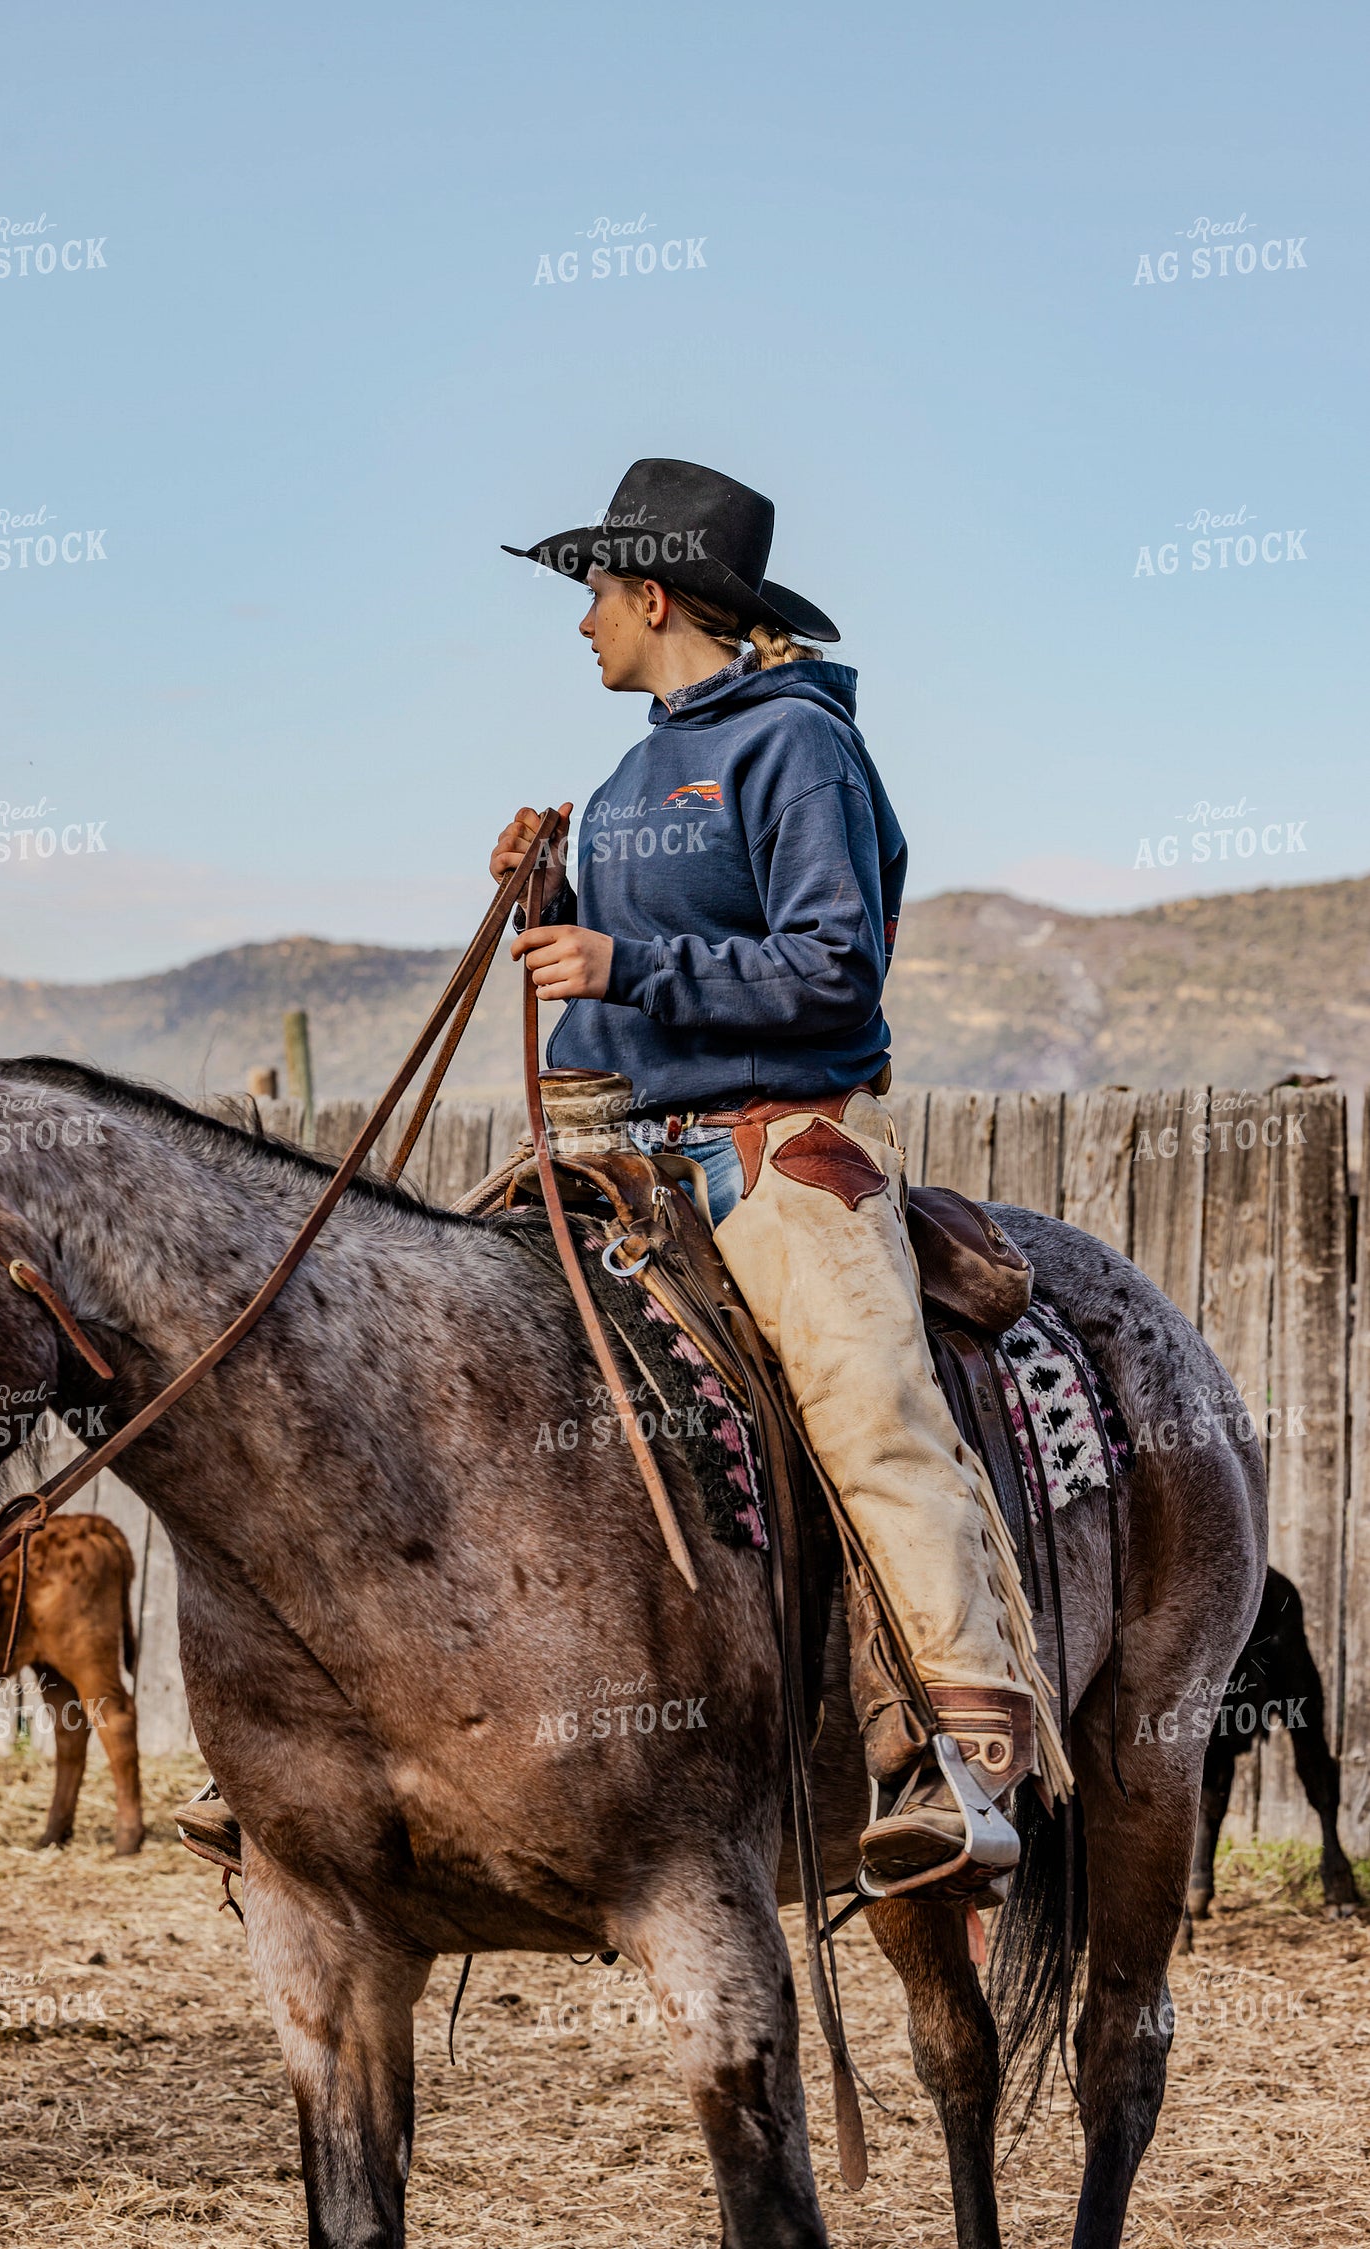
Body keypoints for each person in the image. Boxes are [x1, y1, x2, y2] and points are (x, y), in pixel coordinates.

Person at [493, 458, 1066, 1899]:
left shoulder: (799, 748)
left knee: (872, 1414)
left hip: (766, 1157)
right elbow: (644, 978)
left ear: (653, 595)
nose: (582, 632)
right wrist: (556, 903)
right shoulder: (631, 774)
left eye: (594, 602)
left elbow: (832, 969)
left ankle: (963, 1757)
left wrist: (623, 958)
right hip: (620, 1153)